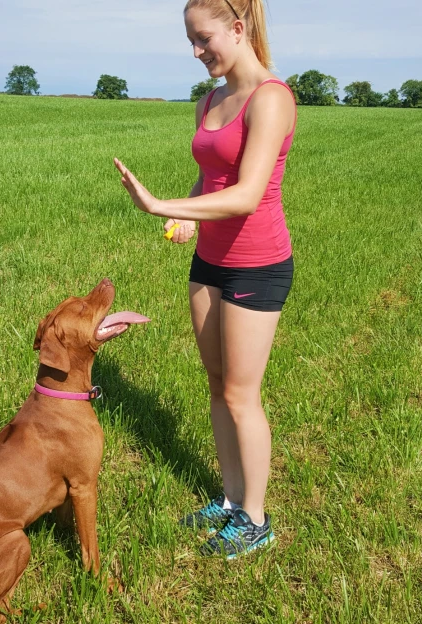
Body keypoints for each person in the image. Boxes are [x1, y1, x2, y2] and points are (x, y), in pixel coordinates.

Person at [113, 0, 297, 559]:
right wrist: (185, 214)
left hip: (257, 264)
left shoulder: (272, 98)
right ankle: (230, 498)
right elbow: (210, 177)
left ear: (237, 29)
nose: (196, 53)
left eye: (203, 39)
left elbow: (245, 193)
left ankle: (256, 520)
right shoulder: (210, 100)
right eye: (190, 41)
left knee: (243, 395)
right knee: (217, 386)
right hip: (209, 263)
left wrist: (154, 203)